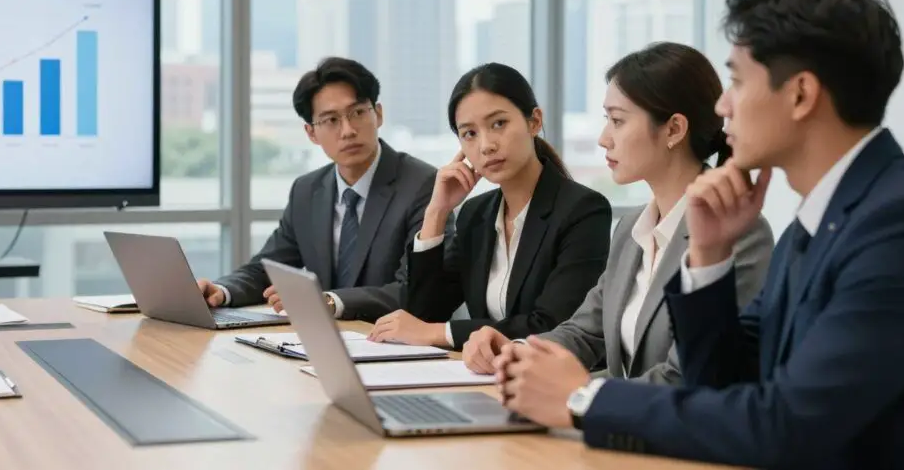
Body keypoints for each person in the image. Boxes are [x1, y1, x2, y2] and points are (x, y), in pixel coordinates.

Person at [496, 0, 904, 469]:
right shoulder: (813, 226)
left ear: (801, 94)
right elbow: (723, 385)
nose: (723, 106)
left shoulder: (901, 223)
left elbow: (788, 424)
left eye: (738, 82)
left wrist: (584, 399)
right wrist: (708, 255)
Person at [462, 42, 774, 382]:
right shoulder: (631, 228)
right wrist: (515, 351)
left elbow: (686, 377)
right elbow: (584, 331)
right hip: (616, 426)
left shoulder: (739, 235)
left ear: (673, 129)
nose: (603, 138)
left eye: (618, 121)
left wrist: (575, 393)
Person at [367, 63, 612, 349]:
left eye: (499, 124)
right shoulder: (476, 215)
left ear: (534, 121)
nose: (486, 146)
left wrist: (440, 334)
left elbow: (551, 325)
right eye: (469, 133)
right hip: (482, 376)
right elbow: (423, 315)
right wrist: (436, 212)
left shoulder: (583, 210)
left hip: (547, 381)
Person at [197, 56, 452, 322]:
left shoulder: (422, 185)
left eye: (357, 113)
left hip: (395, 346)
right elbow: (267, 269)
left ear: (378, 114)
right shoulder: (307, 191)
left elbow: (415, 289)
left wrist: (330, 301)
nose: (348, 130)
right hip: (325, 343)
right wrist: (222, 291)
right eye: (330, 120)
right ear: (311, 133)